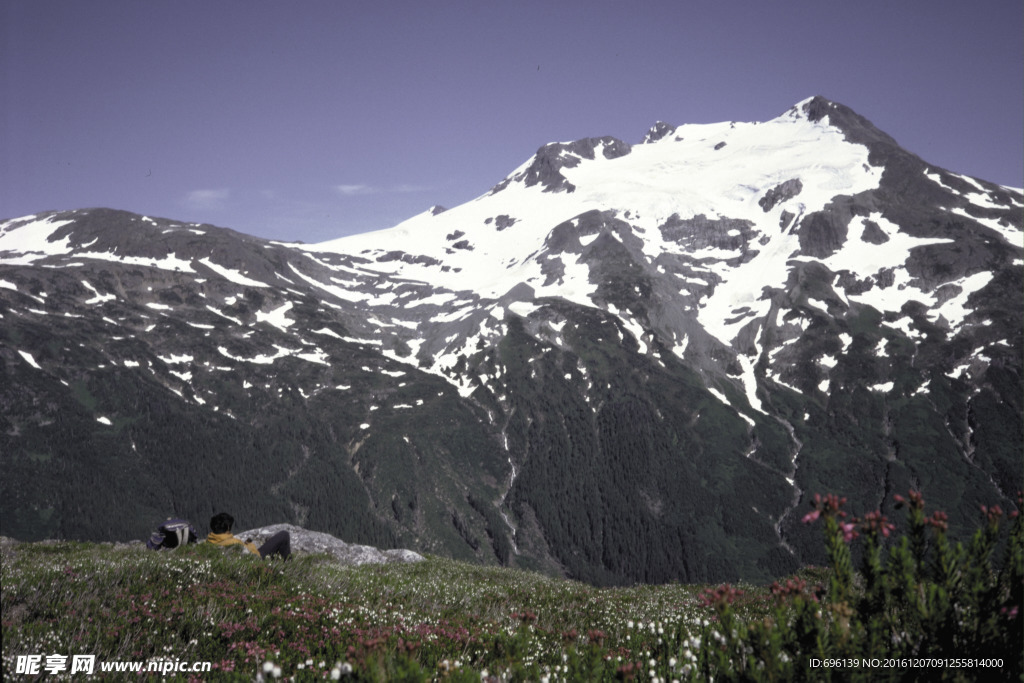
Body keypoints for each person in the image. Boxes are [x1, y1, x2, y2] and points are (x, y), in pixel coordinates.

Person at [206, 512, 291, 560]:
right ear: (228, 527)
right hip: (256, 558)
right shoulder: (233, 542)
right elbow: (253, 554)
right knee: (284, 535)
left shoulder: (210, 540)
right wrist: (249, 545)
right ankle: (288, 564)